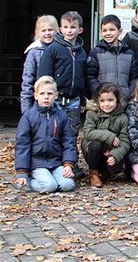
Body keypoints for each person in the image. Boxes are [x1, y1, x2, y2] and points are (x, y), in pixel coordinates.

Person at [38, 11, 87, 177]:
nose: (69, 30)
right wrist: (47, 96)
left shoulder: (81, 52)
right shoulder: (53, 49)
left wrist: (83, 99)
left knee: (72, 134)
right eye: (65, 27)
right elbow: (44, 76)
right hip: (57, 99)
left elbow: (82, 77)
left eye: (73, 27)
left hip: (74, 100)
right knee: (53, 131)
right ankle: (51, 164)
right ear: (60, 28)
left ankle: (71, 164)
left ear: (80, 29)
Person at [15, 76, 77, 193]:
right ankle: (30, 182)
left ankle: (52, 178)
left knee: (68, 185)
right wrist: (22, 172)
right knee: (49, 186)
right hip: (37, 163)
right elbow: (22, 145)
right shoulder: (28, 117)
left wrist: (68, 164)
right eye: (42, 93)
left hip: (56, 161)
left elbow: (69, 141)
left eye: (50, 93)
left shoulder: (61, 116)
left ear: (56, 95)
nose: (46, 97)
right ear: (36, 96)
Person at [82, 83, 130, 188]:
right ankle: (93, 173)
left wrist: (116, 155)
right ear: (97, 101)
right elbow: (88, 132)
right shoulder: (92, 113)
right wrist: (109, 136)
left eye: (110, 100)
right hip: (93, 150)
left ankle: (107, 172)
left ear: (117, 100)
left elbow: (125, 141)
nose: (106, 104)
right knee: (96, 145)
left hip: (110, 151)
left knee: (116, 160)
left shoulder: (122, 118)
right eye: (102, 101)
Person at [86, 15, 138, 100]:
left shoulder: (129, 53)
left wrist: (129, 94)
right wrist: (100, 94)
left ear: (120, 31)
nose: (108, 33)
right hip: (104, 102)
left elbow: (134, 78)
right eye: (104, 30)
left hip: (124, 101)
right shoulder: (95, 52)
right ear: (100, 32)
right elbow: (90, 76)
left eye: (112, 30)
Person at [20, 15, 58, 114]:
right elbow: (27, 81)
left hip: (57, 100)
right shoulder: (33, 52)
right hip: (39, 101)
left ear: (57, 31)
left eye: (50, 30)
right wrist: (26, 111)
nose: (47, 33)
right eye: (43, 30)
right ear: (37, 33)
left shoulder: (61, 49)